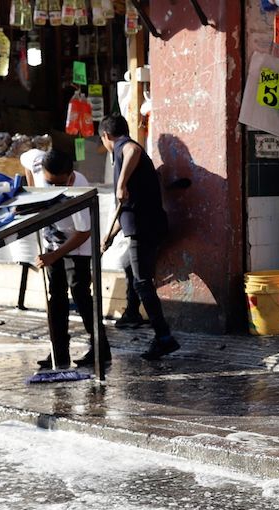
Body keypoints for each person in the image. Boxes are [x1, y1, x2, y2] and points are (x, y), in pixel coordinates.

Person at [99, 115, 180, 360]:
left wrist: (121, 182)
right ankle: (133, 313)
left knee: (142, 281)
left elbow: (133, 149)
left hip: (145, 228)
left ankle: (163, 337)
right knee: (127, 266)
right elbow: (126, 206)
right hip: (144, 225)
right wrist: (111, 235)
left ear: (106, 136)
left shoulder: (125, 146)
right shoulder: (123, 153)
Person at [30, 149, 111, 369]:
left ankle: (100, 349)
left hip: (78, 245)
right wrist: (33, 200)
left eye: (58, 184)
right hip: (52, 241)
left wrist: (53, 256)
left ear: (70, 174)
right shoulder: (38, 165)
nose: (54, 189)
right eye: (49, 183)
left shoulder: (78, 191)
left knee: (80, 294)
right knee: (55, 296)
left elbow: (84, 232)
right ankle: (58, 352)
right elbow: (25, 161)